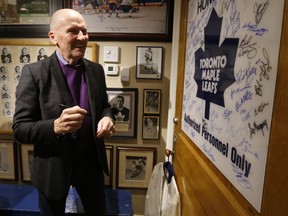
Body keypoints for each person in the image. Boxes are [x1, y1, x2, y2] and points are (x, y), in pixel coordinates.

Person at [12, 8, 115, 216]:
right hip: (53, 170)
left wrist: (107, 117)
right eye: (73, 31)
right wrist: (55, 127)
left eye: (85, 31)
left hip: (91, 167)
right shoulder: (34, 73)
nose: (82, 37)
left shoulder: (96, 70)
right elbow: (20, 129)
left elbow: (105, 105)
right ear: (53, 37)